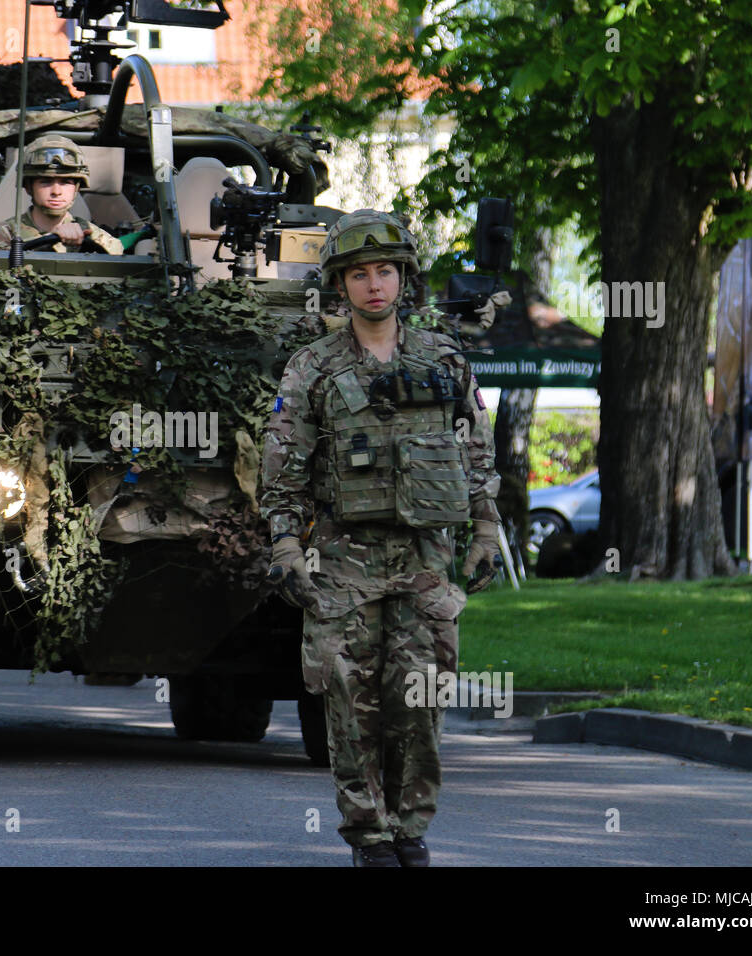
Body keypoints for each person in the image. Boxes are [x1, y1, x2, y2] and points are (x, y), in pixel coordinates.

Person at [260, 209, 502, 867]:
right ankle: (369, 836)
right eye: (360, 274)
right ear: (341, 284)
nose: (374, 285)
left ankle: (410, 830)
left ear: (404, 278)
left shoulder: (443, 359)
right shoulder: (310, 369)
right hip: (345, 559)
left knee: (419, 697)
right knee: (352, 701)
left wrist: (485, 530)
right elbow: (283, 468)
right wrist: (285, 546)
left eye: (386, 271)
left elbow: (476, 453)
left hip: (425, 557)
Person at [0, 135, 122, 255]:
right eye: (45, 182)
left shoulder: (97, 237)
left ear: (76, 188)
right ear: (28, 187)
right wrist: (51, 239)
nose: (56, 192)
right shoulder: (0, 238)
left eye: (65, 182)